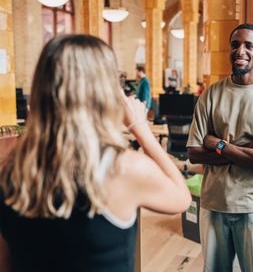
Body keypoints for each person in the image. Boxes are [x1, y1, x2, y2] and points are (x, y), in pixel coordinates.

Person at [0, 35, 191, 272]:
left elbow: (6, 262)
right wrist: (140, 128)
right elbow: (181, 198)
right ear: (105, 92)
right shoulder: (122, 168)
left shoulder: (10, 167)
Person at [186, 23, 253, 272]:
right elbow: (194, 153)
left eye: (248, 45)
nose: (240, 50)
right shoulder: (211, 95)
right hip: (214, 203)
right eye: (235, 44)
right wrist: (248, 148)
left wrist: (220, 144)